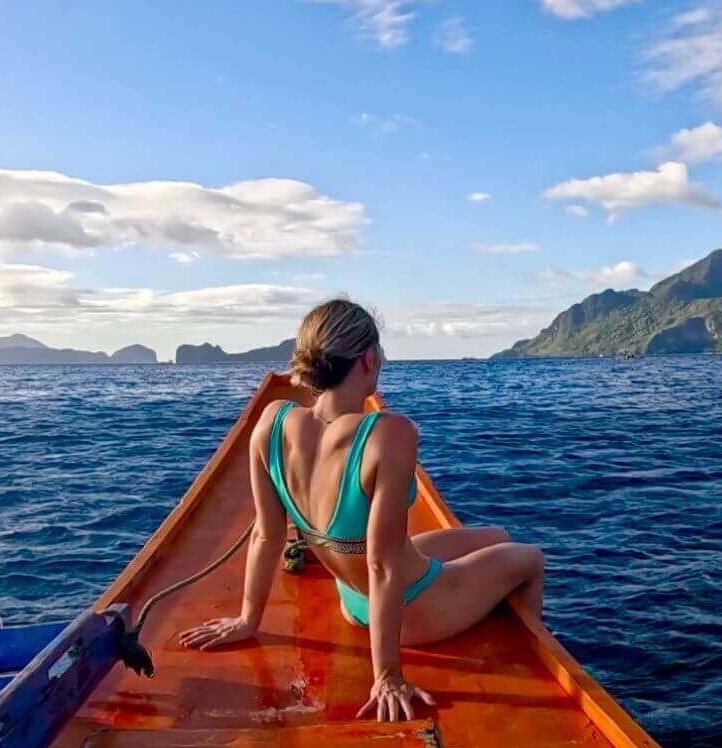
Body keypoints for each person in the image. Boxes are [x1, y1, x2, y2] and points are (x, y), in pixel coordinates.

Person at [178, 298, 546, 721]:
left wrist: (247, 619)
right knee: (529, 558)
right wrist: (386, 675)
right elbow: (383, 566)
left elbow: (267, 534)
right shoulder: (390, 433)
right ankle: (533, 659)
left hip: (352, 600)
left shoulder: (272, 421)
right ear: (369, 359)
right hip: (415, 612)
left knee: (494, 537)